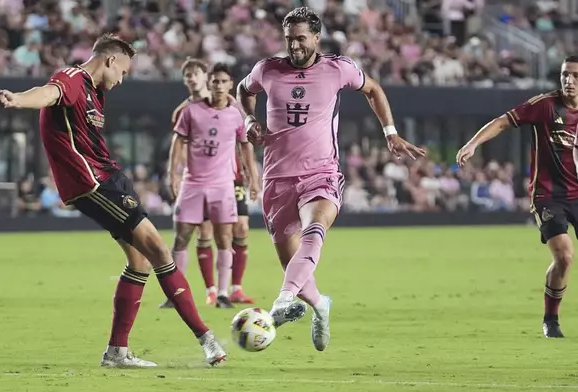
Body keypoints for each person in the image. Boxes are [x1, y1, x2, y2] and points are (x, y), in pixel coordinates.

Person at [0, 34, 226, 367]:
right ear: (110, 60)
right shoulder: (73, 79)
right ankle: (208, 340)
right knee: (159, 250)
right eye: (124, 70)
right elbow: (48, 93)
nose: (123, 78)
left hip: (108, 179)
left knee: (140, 261)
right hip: (94, 183)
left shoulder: (96, 94)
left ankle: (117, 352)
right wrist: (17, 99)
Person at [236, 7, 425, 351]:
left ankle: (282, 299)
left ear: (316, 37)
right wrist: (249, 121)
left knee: (315, 228)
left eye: (301, 39)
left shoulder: (339, 68)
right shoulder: (267, 70)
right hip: (277, 178)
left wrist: (390, 132)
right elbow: (243, 90)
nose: (294, 46)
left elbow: (374, 90)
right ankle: (320, 304)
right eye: (289, 39)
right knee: (293, 262)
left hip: (321, 172)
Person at [457, 56, 578, 339]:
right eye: (565, 75)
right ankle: (551, 318)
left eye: (575, 76)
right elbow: (503, 122)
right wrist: (473, 143)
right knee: (564, 255)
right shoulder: (545, 105)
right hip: (549, 196)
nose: (569, 81)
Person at [161, 58, 256, 308]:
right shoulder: (189, 111)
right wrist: (173, 174)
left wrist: (253, 177)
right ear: (209, 82)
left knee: (229, 235)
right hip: (193, 184)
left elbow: (246, 146)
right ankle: (182, 292)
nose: (219, 85)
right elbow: (178, 143)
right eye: (216, 81)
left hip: (225, 184)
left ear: (230, 84)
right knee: (183, 237)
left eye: (224, 81)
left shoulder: (236, 113)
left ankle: (226, 292)